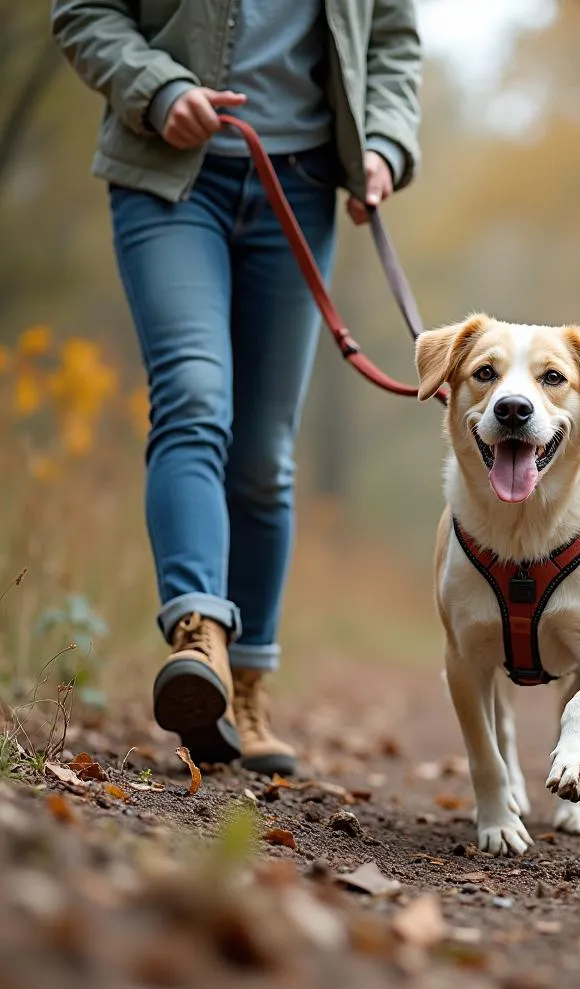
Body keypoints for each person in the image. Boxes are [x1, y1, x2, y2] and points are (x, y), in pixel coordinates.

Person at [51, 1, 422, 775]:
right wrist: (154, 85)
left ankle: (245, 692)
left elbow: (390, 40)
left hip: (304, 184)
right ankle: (199, 639)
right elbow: (85, 11)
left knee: (263, 456)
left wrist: (383, 142)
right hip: (169, 177)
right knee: (192, 393)